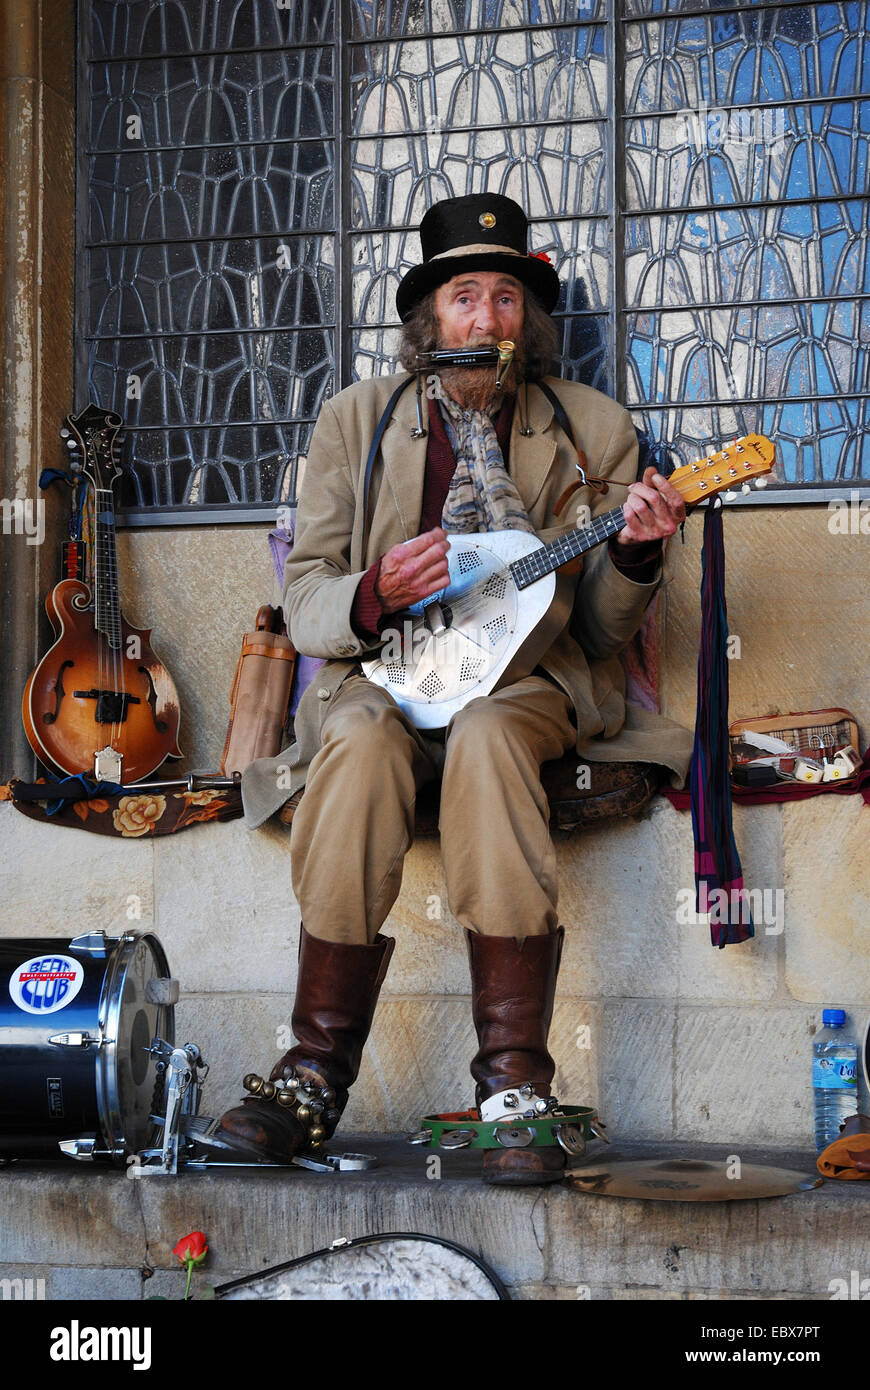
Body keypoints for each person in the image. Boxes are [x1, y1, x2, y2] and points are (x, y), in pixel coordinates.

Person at [217, 193, 692, 1183]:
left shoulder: (595, 428)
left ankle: (513, 1079)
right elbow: (306, 595)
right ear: (429, 321)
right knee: (353, 740)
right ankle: (312, 1074)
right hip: (383, 678)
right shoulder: (356, 420)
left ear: (529, 321)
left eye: (508, 297)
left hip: (526, 686)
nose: (488, 320)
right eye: (465, 297)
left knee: (483, 733)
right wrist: (374, 591)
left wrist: (639, 556)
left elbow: (603, 629)